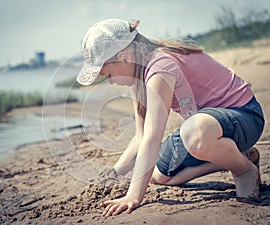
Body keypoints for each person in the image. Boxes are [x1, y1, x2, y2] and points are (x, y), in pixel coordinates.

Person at [76, 18, 264, 217]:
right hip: (211, 128)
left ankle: (243, 170)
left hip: (245, 117)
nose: (110, 81)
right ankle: (241, 155)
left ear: (124, 58)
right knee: (156, 175)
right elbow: (141, 136)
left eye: (108, 75)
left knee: (194, 133)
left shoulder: (160, 66)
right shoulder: (137, 78)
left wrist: (133, 196)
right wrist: (113, 174)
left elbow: (153, 137)